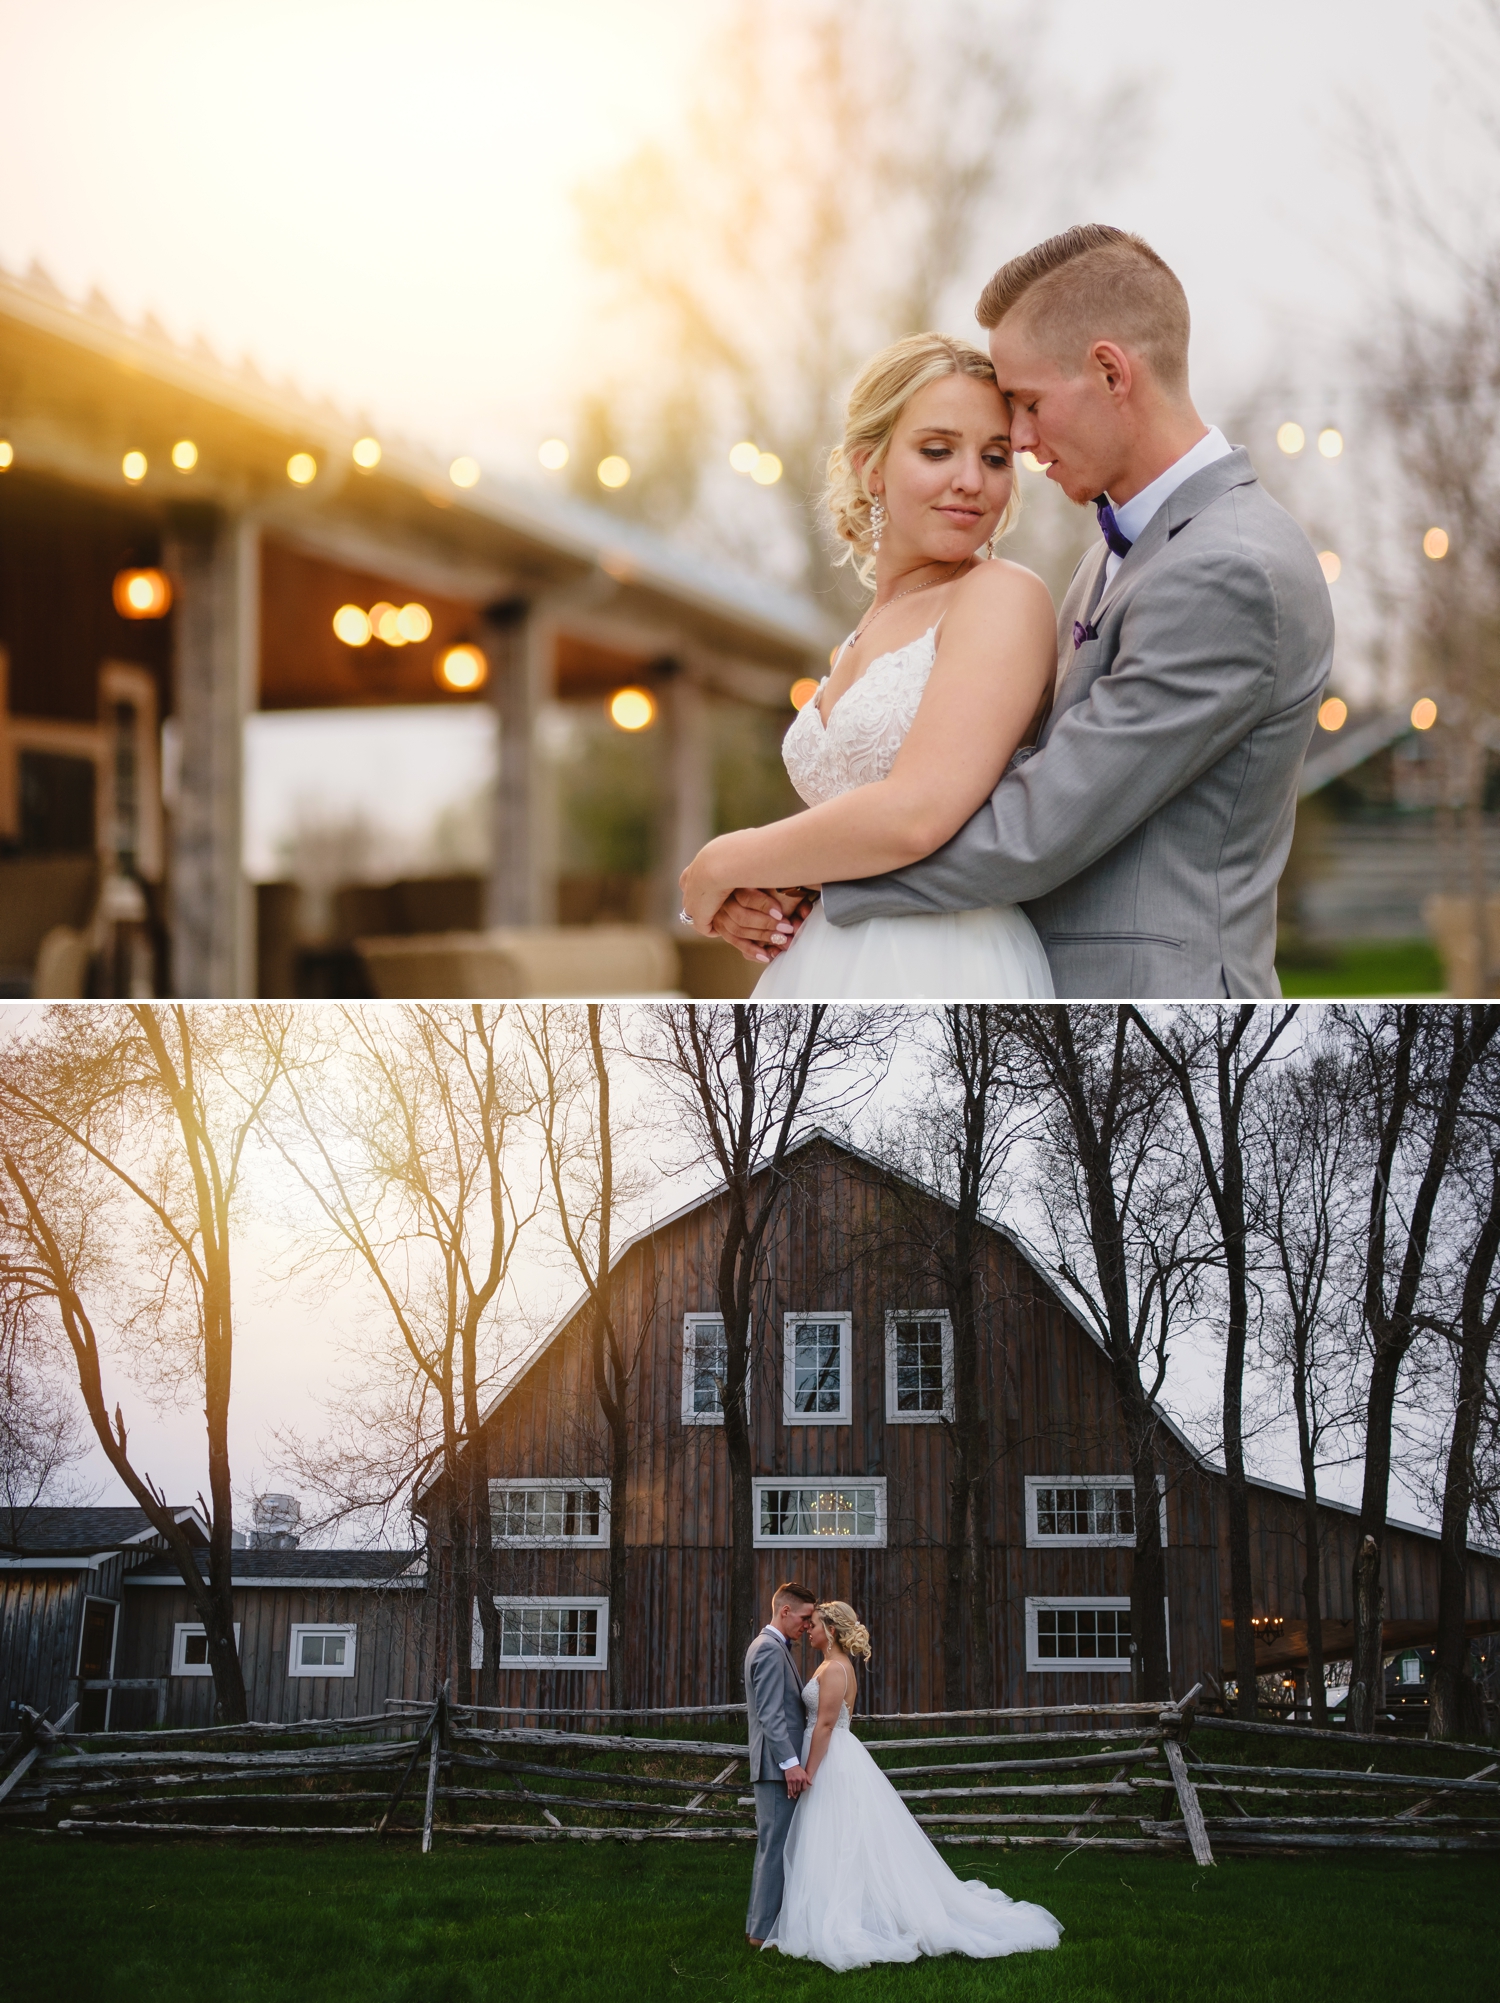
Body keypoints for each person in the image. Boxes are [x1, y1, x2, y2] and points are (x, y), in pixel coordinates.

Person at [698, 225, 1335, 1000]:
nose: (1022, 444)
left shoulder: (1230, 567)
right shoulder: (1116, 555)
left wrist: (780, 876)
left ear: (1110, 371)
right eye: (944, 449)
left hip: (1156, 1009)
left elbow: (1034, 827)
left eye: (1024, 412)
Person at [679, 331, 1057, 1001]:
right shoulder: (863, 631)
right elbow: (846, 832)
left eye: (995, 457)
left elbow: (917, 813)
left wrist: (724, 860)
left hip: (943, 959)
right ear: (871, 466)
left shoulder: (1001, 596)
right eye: (938, 450)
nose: (971, 479)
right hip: (821, 964)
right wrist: (768, 896)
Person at [762, 1601, 1062, 1971]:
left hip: (830, 1761)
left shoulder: (837, 1669)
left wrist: (808, 1771)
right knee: (834, 1840)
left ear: (833, 1631)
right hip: (828, 1756)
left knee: (838, 1837)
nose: (809, 1629)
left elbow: (824, 1726)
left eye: (816, 1625)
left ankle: (842, 1918)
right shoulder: (830, 1665)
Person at [743, 1582, 816, 1948]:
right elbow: (771, 1715)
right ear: (785, 1611)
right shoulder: (770, 1650)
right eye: (804, 1618)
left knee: (772, 1846)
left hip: (776, 1766)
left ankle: (759, 1925)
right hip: (775, 1768)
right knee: (775, 1848)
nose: (807, 1625)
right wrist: (790, 1764)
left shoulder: (771, 1647)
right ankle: (761, 1934)